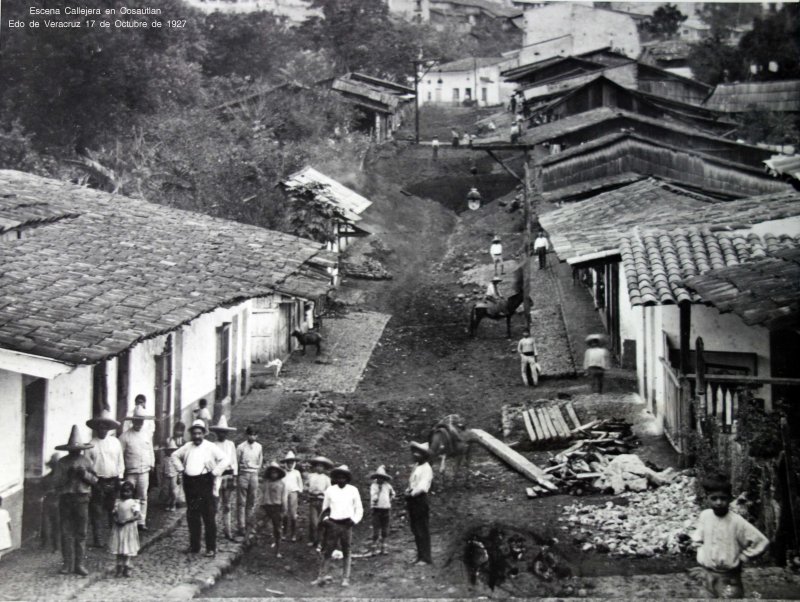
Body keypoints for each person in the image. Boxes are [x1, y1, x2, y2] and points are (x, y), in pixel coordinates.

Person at [691, 472, 769, 598]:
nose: (718, 502)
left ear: (730, 498)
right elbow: (698, 537)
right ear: (707, 497)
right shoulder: (705, 516)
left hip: (729, 576)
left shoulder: (736, 521)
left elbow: (761, 541)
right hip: (708, 574)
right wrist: (700, 551)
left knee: (730, 598)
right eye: (714, 498)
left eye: (723, 498)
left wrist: (744, 556)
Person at [172, 419, 229, 557]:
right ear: (191, 434)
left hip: (204, 482)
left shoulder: (210, 446)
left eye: (199, 433)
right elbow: (174, 455)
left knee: (208, 515)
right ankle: (194, 545)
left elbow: (225, 459)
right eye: (194, 433)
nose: (197, 436)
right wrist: (181, 469)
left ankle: (211, 547)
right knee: (192, 515)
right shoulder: (187, 446)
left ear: (204, 433)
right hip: (190, 483)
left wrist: (215, 472)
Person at [53, 425, 98, 576]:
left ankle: (79, 564)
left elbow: (95, 480)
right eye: (73, 449)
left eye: (77, 449)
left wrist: (84, 475)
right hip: (66, 499)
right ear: (69, 450)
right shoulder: (62, 463)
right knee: (66, 532)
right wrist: (68, 476)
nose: (75, 452)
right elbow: (56, 483)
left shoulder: (86, 461)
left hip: (82, 499)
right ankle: (67, 564)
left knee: (81, 533)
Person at [312, 465, 363, 587]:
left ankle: (346, 578)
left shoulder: (353, 490)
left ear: (347, 478)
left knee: (346, 551)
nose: (341, 480)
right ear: (335, 478)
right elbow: (325, 509)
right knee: (327, 551)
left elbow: (359, 509)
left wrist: (354, 520)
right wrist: (326, 520)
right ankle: (321, 577)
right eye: (338, 477)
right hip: (333, 524)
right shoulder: (330, 490)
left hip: (346, 524)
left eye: (343, 477)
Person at [84, 409, 124, 548]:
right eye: (100, 426)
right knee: (97, 511)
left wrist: (120, 478)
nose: (103, 429)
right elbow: (87, 467)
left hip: (113, 480)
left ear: (109, 428)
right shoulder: (90, 445)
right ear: (96, 427)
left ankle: (114, 538)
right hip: (98, 482)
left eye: (106, 426)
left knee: (113, 510)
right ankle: (98, 539)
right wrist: (94, 483)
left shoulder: (115, 442)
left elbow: (120, 461)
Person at [119, 406, 155, 531]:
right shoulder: (125, 437)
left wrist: (151, 464)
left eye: (141, 421)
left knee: (142, 496)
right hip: (130, 471)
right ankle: (128, 519)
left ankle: (141, 521)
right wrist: (121, 472)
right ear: (132, 421)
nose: (139, 423)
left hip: (144, 471)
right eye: (137, 420)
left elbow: (150, 450)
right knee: (128, 496)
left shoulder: (146, 435)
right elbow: (120, 455)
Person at [209, 416, 238, 541]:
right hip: (217, 477)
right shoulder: (213, 445)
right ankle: (213, 531)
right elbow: (211, 462)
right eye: (220, 432)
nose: (222, 434)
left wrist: (235, 475)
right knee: (215, 505)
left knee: (227, 505)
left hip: (228, 475)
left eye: (224, 432)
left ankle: (228, 530)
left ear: (227, 433)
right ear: (216, 433)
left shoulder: (230, 444)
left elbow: (234, 461)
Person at [406, 442, 433, 566]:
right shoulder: (417, 466)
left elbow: (422, 487)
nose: (416, 455)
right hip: (413, 499)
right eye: (415, 452)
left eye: (419, 453)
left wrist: (412, 494)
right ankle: (420, 555)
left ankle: (426, 557)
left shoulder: (426, 468)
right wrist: (408, 490)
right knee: (415, 528)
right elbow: (413, 483)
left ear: (424, 455)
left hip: (420, 499)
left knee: (422, 528)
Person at [109, 481, 141, 578]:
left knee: (127, 547)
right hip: (119, 528)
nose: (125, 494)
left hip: (128, 528)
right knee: (119, 547)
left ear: (132, 492)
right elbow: (114, 513)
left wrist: (126, 521)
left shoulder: (134, 503)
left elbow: (137, 516)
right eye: (123, 491)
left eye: (127, 492)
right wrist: (116, 520)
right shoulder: (118, 502)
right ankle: (119, 567)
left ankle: (126, 566)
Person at [236, 426, 263, 540]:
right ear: (247, 435)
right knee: (241, 502)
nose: (252, 436)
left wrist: (256, 471)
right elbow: (236, 462)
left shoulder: (259, 447)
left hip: (254, 475)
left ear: (257, 436)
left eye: (255, 434)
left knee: (251, 501)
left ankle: (249, 525)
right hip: (243, 474)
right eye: (250, 434)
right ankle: (241, 526)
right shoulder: (241, 447)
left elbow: (260, 460)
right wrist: (239, 473)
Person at [261, 462, 287, 558]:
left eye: (275, 472)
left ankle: (278, 550)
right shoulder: (266, 483)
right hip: (267, 507)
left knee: (278, 529)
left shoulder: (282, 484)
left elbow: (284, 497)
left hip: (277, 508)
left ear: (279, 473)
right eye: (272, 472)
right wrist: (262, 504)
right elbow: (264, 495)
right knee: (263, 526)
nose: (273, 474)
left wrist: (284, 509)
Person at [306, 456, 333, 549]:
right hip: (313, 500)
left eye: (321, 466)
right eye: (317, 466)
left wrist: (322, 492)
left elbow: (329, 491)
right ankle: (312, 539)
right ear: (315, 467)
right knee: (313, 522)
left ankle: (319, 541)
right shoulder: (311, 476)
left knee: (321, 522)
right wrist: (310, 491)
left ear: (324, 468)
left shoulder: (326, 478)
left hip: (322, 501)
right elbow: (306, 487)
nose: (319, 468)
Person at [369, 465, 395, 556]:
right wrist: (375, 498)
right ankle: (373, 548)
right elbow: (373, 496)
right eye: (379, 477)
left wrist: (390, 500)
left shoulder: (387, 486)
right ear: (376, 478)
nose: (380, 479)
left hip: (386, 509)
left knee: (385, 529)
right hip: (376, 509)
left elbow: (393, 493)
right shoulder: (374, 486)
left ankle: (383, 547)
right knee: (376, 530)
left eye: (382, 478)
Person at [281, 451, 303, 542]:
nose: (290, 464)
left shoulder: (297, 472)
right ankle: (284, 533)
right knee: (284, 513)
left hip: (293, 492)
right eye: (288, 462)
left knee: (293, 515)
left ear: (294, 463)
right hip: (284, 493)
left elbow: (300, 484)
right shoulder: (282, 472)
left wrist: (300, 491)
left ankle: (293, 534)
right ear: (286, 463)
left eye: (292, 462)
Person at [161, 439, 180, 511]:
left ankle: (173, 504)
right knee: (166, 490)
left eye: (172, 450)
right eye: (169, 450)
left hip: (174, 476)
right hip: (166, 476)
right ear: (166, 451)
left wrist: (179, 477)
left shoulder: (176, 459)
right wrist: (162, 477)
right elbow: (162, 468)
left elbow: (179, 468)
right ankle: (167, 503)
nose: (171, 452)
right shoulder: (164, 459)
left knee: (173, 491)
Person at [0, 496, 11, 560]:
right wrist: (9, 530)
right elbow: (8, 523)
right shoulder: (5, 512)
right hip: (2, 532)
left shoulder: (5, 512)